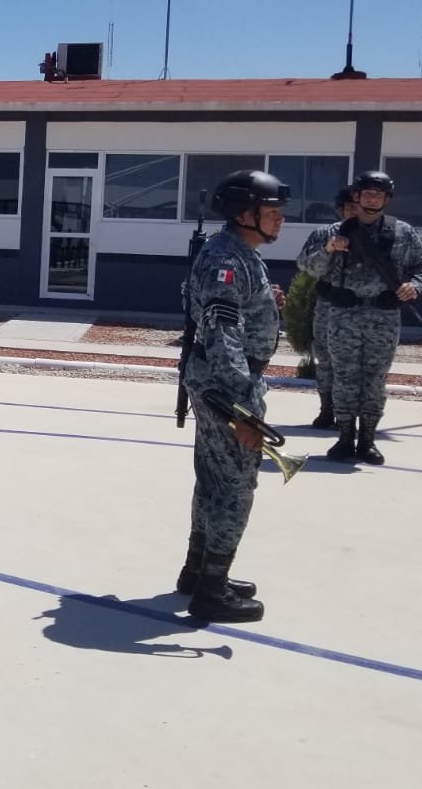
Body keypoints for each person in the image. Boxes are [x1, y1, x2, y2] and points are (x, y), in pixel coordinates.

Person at [176, 170, 288, 623]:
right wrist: (244, 409)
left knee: (211, 480)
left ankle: (198, 571)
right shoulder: (228, 259)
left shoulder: (237, 254)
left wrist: (267, 305)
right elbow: (223, 336)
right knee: (236, 488)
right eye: (272, 211)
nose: (280, 219)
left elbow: (231, 311)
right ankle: (212, 590)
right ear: (245, 214)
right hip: (227, 386)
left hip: (213, 381)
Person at [298, 170, 422, 464]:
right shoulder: (334, 233)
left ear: (387, 199)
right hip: (343, 316)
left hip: (383, 317)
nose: (372, 199)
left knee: (375, 380)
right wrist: (329, 249)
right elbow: (308, 266)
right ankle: (345, 437)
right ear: (356, 197)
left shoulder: (403, 233)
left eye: (378, 194)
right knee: (344, 377)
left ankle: (368, 440)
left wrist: (415, 286)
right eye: (367, 194)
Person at [298, 187, 361, 430]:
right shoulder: (324, 234)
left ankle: (350, 415)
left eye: (360, 207)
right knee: (325, 361)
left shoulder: (379, 236)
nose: (355, 212)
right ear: (341, 209)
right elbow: (306, 265)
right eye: (350, 207)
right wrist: (328, 249)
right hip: (329, 306)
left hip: (362, 310)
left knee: (356, 364)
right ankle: (327, 409)